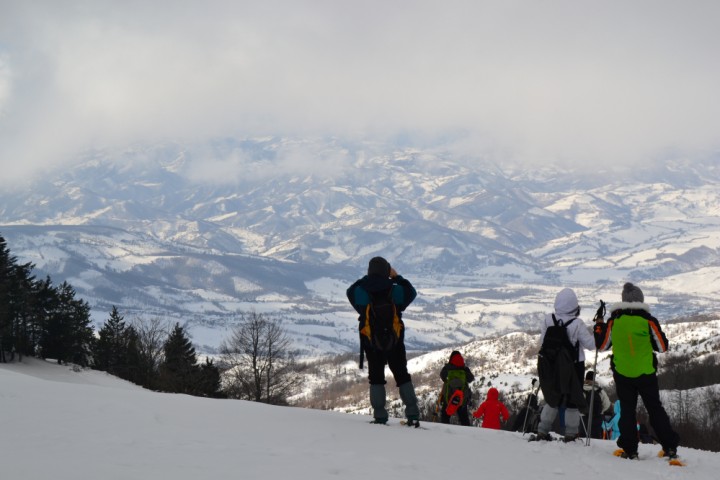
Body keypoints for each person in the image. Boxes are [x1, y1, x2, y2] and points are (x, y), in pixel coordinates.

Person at [594, 282, 680, 460]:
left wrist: (599, 325)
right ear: (641, 300)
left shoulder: (614, 321)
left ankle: (630, 449)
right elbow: (662, 347)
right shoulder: (648, 320)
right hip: (646, 373)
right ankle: (670, 447)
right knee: (655, 409)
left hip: (623, 373)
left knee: (627, 410)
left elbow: (601, 346)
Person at [346, 256, 420, 426]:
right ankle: (413, 414)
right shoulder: (395, 289)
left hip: (371, 343)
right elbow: (412, 292)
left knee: (376, 378)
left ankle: (380, 416)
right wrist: (396, 277)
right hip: (395, 341)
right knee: (402, 375)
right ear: (387, 271)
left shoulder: (361, 291)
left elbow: (350, 291)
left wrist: (367, 278)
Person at [534, 287, 596, 442]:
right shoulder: (577, 324)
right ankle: (571, 433)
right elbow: (591, 345)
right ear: (575, 306)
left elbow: (542, 342)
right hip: (573, 367)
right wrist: (599, 331)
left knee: (552, 397)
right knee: (572, 399)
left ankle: (542, 429)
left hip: (551, 365)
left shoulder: (549, 320)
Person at [439, 351, 475, 426]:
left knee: (445, 416)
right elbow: (471, 378)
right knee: (464, 418)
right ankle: (468, 434)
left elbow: (442, 376)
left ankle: (444, 432)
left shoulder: (447, 367)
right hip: (462, 397)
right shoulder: (464, 369)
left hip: (448, 396)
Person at [581, 370, 612, 439]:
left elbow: (577, 403)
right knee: (596, 436)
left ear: (586, 378)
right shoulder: (600, 390)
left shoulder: (581, 389)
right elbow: (607, 404)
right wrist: (600, 411)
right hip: (597, 417)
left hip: (583, 417)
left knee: (582, 436)